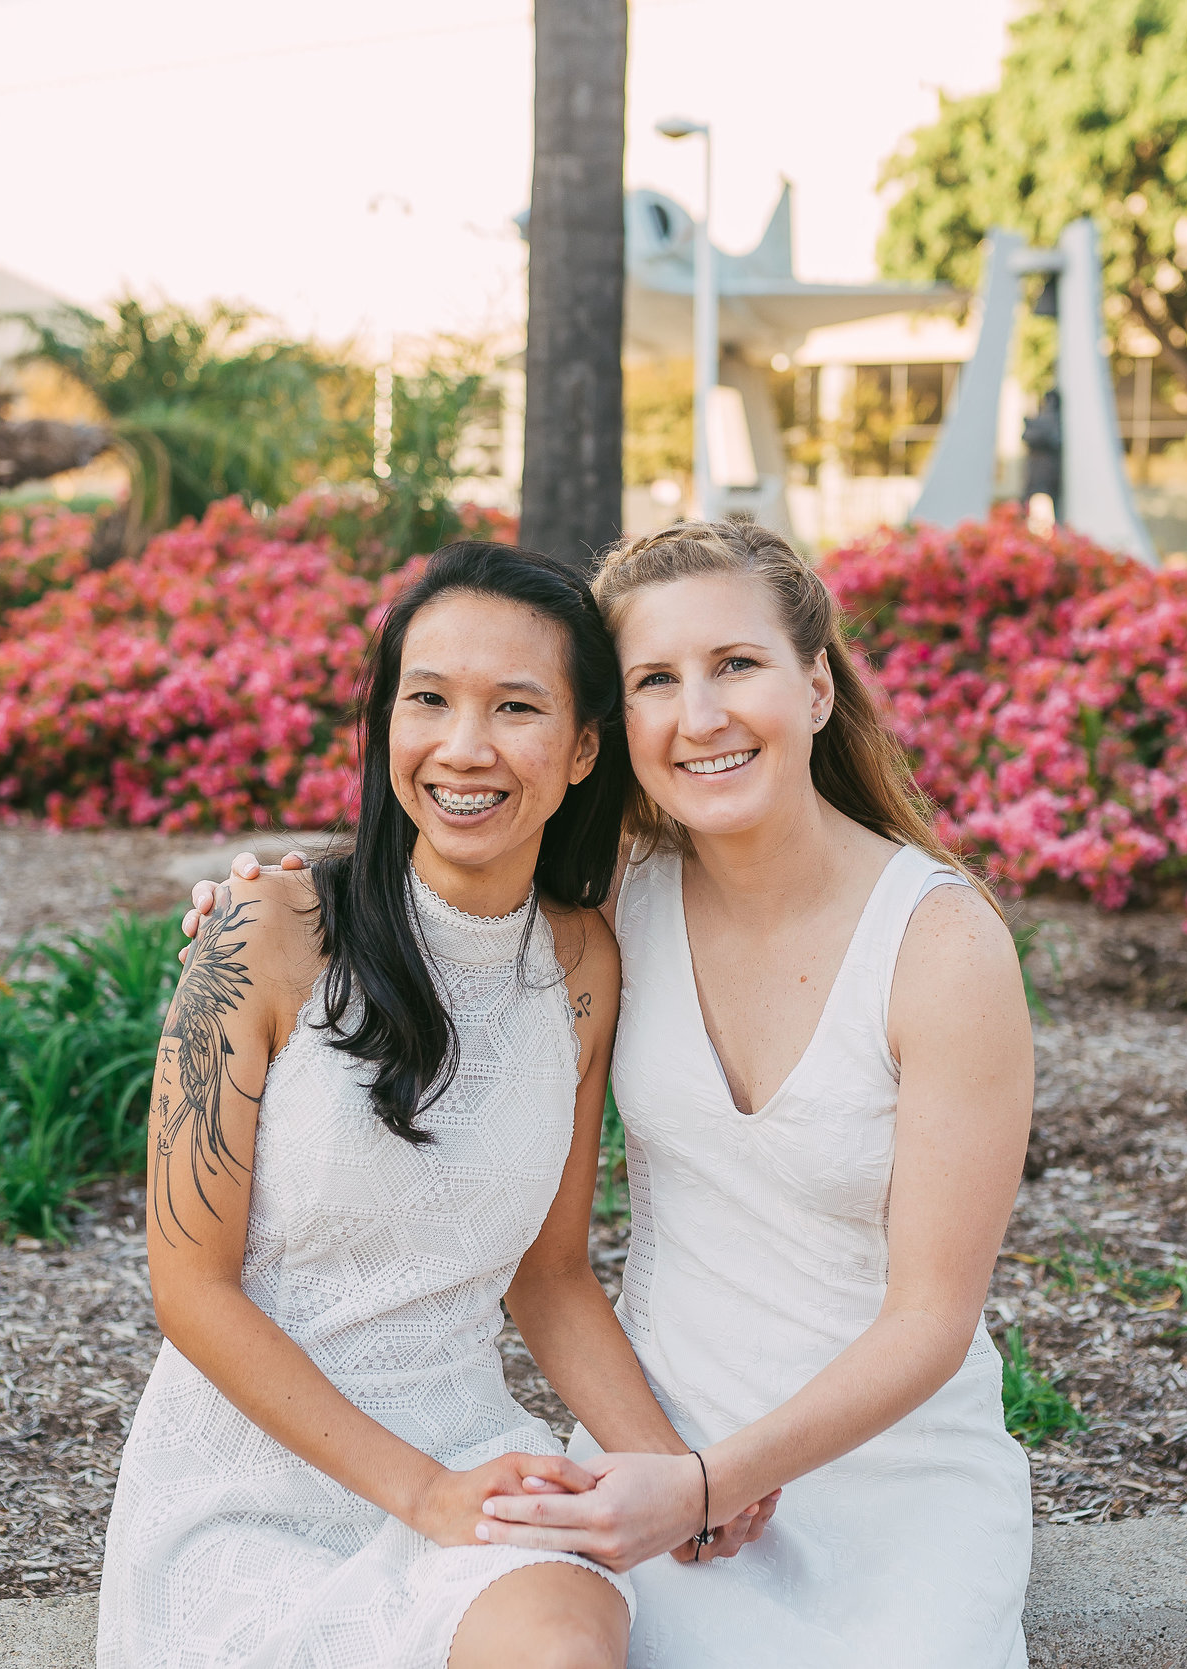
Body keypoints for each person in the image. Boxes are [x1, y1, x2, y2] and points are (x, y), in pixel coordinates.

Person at [190, 519, 1037, 1666]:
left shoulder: (941, 945)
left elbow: (932, 1317)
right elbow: (447, 874)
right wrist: (255, 907)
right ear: (615, 728)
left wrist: (708, 1486)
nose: (700, 715)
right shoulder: (619, 906)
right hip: (650, 1442)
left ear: (817, 685)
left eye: (735, 664)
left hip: (882, 1472)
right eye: (654, 680)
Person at [99, 541, 767, 1669]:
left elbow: (549, 1275)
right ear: (386, 723)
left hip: (472, 1456)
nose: (464, 748)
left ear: (581, 749)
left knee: (563, 1646)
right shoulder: (263, 933)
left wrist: (679, 1476)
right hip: (241, 1487)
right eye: (428, 700)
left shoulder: (581, 965)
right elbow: (190, 1290)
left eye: (515, 707)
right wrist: (422, 1495)